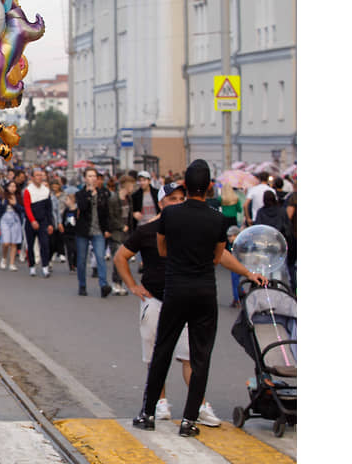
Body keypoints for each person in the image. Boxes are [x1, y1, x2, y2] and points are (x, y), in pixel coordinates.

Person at [132, 160, 268, 437]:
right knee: (200, 356)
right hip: (204, 292)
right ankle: (189, 420)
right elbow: (219, 256)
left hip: (176, 290)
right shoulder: (218, 218)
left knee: (163, 350)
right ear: (208, 187)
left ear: (186, 184)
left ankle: (147, 413)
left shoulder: (170, 216)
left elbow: (162, 249)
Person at [115, 182, 224, 428]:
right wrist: (133, 286)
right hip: (155, 300)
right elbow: (121, 256)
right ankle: (160, 403)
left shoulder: (189, 228)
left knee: (190, 357)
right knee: (156, 356)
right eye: (172, 198)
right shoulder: (148, 230)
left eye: (180, 198)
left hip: (185, 300)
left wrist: (248, 273)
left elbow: (221, 254)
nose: (176, 202)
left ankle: (200, 406)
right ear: (161, 203)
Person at [75, 168, 111, 297]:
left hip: (98, 230)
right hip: (83, 230)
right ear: (85, 178)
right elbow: (83, 208)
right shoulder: (80, 194)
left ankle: (103, 285)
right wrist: (89, 194)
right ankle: (82, 285)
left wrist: (107, 229)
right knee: (81, 260)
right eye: (89, 176)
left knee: (100, 257)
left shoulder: (103, 194)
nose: (92, 178)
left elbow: (106, 213)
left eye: (94, 176)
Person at [22, 168, 55, 278]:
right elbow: (27, 207)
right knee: (30, 245)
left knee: (45, 244)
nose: (39, 177)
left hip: (43, 221)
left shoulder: (46, 190)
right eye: (37, 175)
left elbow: (49, 209)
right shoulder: (28, 190)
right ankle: (32, 266)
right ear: (32, 177)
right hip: (31, 222)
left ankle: (45, 266)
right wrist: (32, 220)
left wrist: (50, 223)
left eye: (41, 175)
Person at [107, 175, 135, 295]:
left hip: (126, 233)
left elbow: (129, 215)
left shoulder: (129, 198)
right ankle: (116, 283)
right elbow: (111, 217)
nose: (133, 188)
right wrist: (121, 226)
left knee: (125, 260)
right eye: (132, 185)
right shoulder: (113, 199)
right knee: (118, 259)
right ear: (127, 185)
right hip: (117, 233)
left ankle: (120, 284)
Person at [0, 181, 25, 272]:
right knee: (6, 242)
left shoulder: (19, 197)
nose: (12, 188)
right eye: (11, 186)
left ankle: (12, 263)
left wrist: (15, 204)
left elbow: (23, 210)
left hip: (15, 219)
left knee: (14, 243)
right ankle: (4, 257)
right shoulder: (3, 197)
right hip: (5, 219)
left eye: (14, 186)